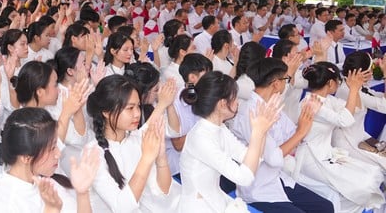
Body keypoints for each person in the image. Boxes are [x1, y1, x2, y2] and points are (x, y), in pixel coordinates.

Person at [231, 58, 334, 213]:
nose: (287, 83)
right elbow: (274, 158)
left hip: (278, 179)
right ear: (276, 84)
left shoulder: (272, 104)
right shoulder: (250, 113)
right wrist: (300, 132)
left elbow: (295, 135)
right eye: (286, 79)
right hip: (258, 189)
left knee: (325, 207)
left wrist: (307, 119)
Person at [179, 71, 281, 213]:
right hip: (199, 207)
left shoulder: (218, 127)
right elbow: (243, 178)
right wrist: (258, 133)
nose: (238, 102)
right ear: (222, 104)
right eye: (234, 98)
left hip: (215, 200)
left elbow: (249, 157)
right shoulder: (201, 138)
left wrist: (262, 131)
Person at [86, 75, 181, 212]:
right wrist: (146, 159)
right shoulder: (92, 153)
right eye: (130, 108)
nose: (137, 114)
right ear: (106, 112)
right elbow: (122, 207)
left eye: (138, 107)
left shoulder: (135, 139)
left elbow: (164, 190)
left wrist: (161, 157)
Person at [298, 62, 384, 212]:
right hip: (312, 157)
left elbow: (353, 110)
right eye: (338, 81)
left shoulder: (327, 99)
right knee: (362, 184)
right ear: (330, 83)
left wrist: (354, 90)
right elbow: (345, 120)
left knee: (372, 174)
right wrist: (354, 89)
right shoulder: (311, 102)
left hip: (326, 152)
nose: (339, 84)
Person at [0, 108, 100, 213]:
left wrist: (82, 194)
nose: (58, 154)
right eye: (52, 148)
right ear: (26, 158)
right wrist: (51, 209)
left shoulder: (49, 184)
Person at [334, 51, 386, 173]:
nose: (372, 72)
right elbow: (384, 106)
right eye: (370, 68)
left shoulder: (356, 86)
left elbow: (379, 97)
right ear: (361, 73)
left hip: (359, 135)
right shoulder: (349, 91)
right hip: (347, 142)